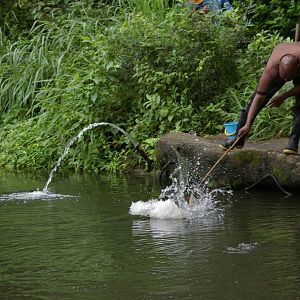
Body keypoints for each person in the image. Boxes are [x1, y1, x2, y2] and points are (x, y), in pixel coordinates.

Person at [222, 42, 300, 155]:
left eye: (290, 77)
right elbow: (259, 97)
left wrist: (283, 96)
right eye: (284, 78)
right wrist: (248, 124)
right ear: (278, 70)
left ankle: (293, 140)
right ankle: (239, 137)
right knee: (256, 99)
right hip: (281, 59)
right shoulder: (271, 69)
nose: (287, 80)